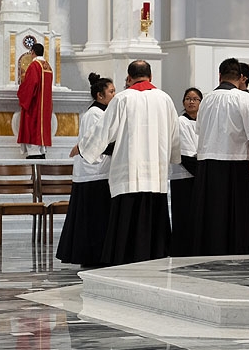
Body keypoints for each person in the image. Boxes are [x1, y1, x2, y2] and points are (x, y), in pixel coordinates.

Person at [74, 60, 180, 265]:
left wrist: (85, 147)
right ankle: (154, 254)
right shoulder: (165, 99)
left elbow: (104, 130)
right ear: (150, 77)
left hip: (128, 170)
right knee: (153, 213)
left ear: (129, 78)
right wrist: (173, 157)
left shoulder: (122, 99)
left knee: (126, 216)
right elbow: (174, 134)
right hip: (156, 171)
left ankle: (124, 256)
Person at [191, 58, 249, 255]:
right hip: (234, 161)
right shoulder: (244, 98)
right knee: (234, 212)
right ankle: (234, 250)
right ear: (241, 77)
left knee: (211, 211)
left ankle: (208, 250)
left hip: (207, 162)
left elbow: (199, 129)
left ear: (219, 75)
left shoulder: (206, 99)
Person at [56, 73, 116, 267]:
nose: (115, 95)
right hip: (93, 173)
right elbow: (95, 144)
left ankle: (99, 254)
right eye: (111, 91)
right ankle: (91, 256)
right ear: (100, 95)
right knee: (93, 219)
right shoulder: (94, 115)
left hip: (99, 172)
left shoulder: (103, 113)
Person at [169, 87, 202, 256]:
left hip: (198, 175)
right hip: (184, 176)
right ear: (183, 102)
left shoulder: (204, 123)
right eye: (188, 98)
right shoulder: (181, 122)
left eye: (195, 99)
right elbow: (186, 153)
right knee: (184, 216)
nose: (191, 102)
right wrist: (203, 174)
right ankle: (182, 251)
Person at [17, 43, 53, 159]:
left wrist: (21, 93)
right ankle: (41, 152)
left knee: (33, 127)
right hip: (45, 105)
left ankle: (34, 154)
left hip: (35, 105)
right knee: (42, 128)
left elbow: (30, 85)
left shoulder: (34, 66)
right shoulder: (47, 66)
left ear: (33, 52)